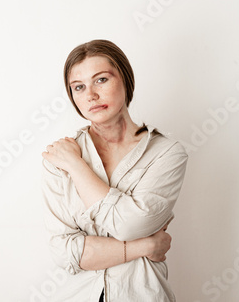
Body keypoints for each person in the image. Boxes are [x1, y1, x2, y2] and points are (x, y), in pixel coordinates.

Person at [40, 39, 189, 302]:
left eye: (101, 80)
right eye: (78, 87)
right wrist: (145, 245)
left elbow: (129, 225)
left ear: (125, 80)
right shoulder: (58, 159)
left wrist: (77, 166)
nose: (90, 95)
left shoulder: (166, 154)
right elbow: (65, 252)